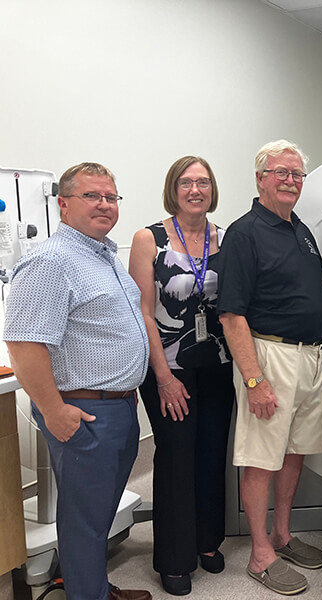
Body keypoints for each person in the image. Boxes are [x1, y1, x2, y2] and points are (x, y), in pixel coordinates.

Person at [3, 163, 152, 600]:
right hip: (85, 410)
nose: (104, 204)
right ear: (63, 204)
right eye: (92, 196)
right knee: (84, 517)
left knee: (99, 510)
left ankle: (95, 588)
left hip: (118, 404)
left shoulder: (102, 255)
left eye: (111, 197)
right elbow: (25, 345)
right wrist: (54, 411)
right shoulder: (51, 262)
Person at [217, 140, 322, 596]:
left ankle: (282, 534)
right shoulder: (245, 233)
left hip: (314, 356)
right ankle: (260, 553)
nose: (290, 181)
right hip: (271, 357)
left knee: (295, 450)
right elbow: (231, 314)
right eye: (282, 173)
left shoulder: (300, 229)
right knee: (262, 458)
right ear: (260, 177)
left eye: (298, 175)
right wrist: (254, 379)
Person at [128, 156, 234, 595]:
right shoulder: (148, 239)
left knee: (211, 451)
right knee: (175, 453)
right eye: (187, 183)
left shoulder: (226, 238)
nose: (196, 190)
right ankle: (174, 558)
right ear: (173, 189)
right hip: (168, 367)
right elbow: (144, 313)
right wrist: (164, 377)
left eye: (204, 183)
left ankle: (207, 541)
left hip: (217, 365)